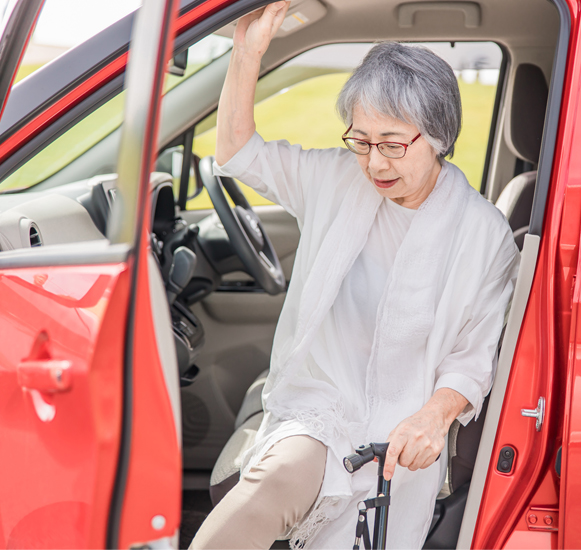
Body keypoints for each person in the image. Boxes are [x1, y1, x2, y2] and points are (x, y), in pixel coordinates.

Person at [191, 2, 520, 548]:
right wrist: (245, 55)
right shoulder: (336, 178)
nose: (375, 164)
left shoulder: (483, 233)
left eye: (392, 144)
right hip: (319, 408)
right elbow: (237, 152)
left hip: (401, 432)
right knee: (266, 490)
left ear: (438, 137)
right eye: (361, 141)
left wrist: (435, 418)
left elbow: (474, 355)